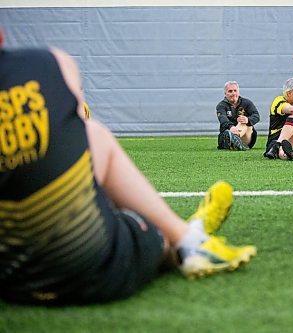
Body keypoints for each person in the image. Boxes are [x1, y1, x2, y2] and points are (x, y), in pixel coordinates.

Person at [0, 28, 256, 305]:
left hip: (6, 274)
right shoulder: (51, 62)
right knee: (147, 228)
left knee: (91, 136)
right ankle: (189, 237)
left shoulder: (246, 104)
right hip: (82, 266)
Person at [216, 81, 260, 151]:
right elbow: (222, 119)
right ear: (225, 93)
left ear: (238, 92)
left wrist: (247, 120)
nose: (233, 93)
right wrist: (231, 127)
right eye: (230, 91)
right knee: (231, 129)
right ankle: (232, 139)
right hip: (226, 138)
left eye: (235, 91)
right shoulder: (221, 106)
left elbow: (256, 116)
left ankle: (234, 138)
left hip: (246, 138)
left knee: (244, 121)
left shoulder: (247, 103)